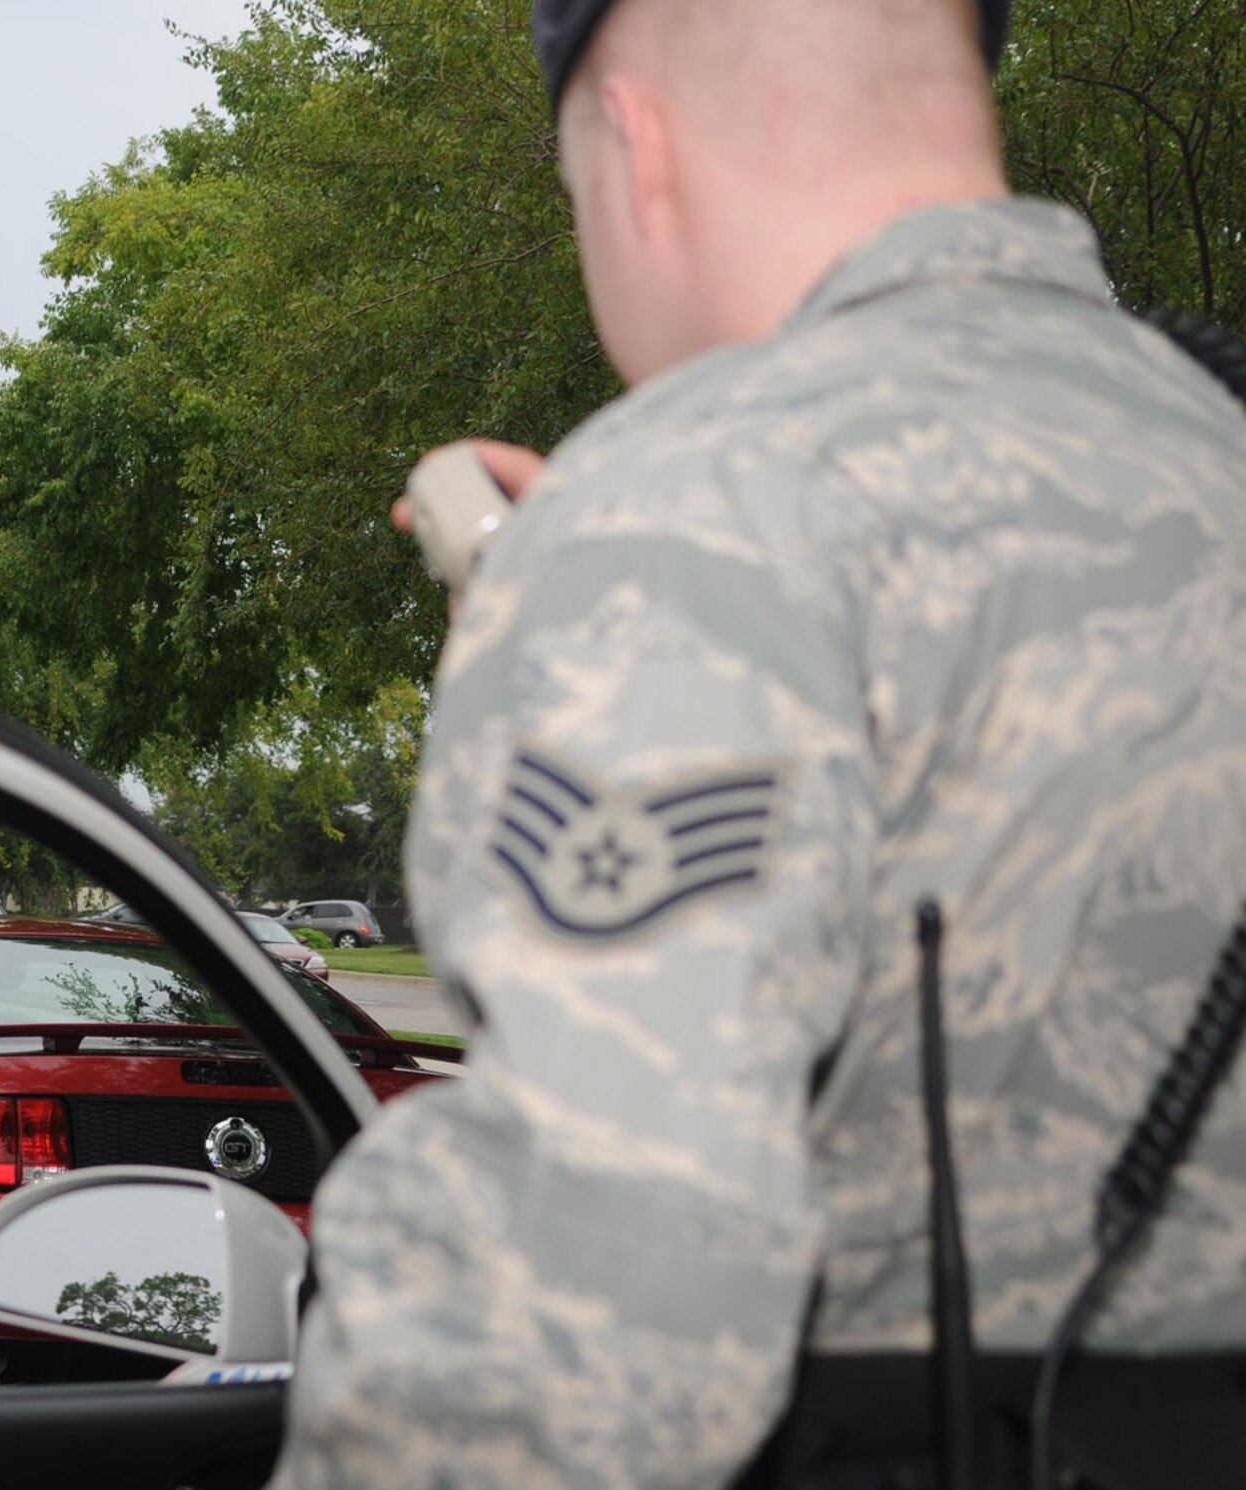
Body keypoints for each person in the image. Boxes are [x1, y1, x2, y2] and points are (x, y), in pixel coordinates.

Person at [272, 1, 1246, 1486]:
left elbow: (583, 1349)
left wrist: (613, 605)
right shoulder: (1207, 444)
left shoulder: (687, 514)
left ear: (629, 145)